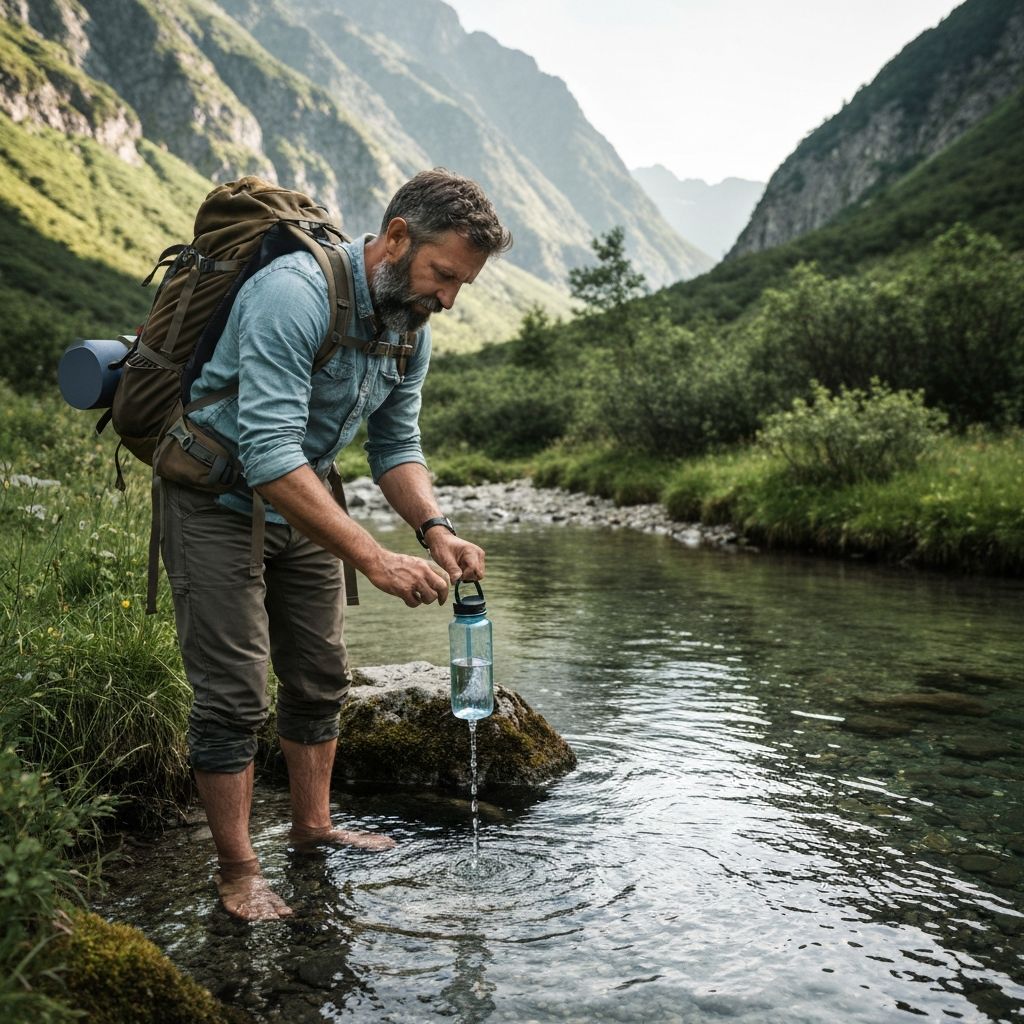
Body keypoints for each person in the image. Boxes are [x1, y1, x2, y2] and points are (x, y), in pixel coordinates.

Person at [160, 169, 513, 921]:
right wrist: (375, 558)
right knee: (233, 695)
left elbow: (396, 447)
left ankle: (313, 827)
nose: (448, 299)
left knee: (320, 676)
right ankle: (236, 870)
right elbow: (268, 455)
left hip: (306, 500)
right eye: (443, 275)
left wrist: (435, 529)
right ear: (395, 238)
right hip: (216, 498)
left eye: (462, 285)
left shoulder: (408, 328)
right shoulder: (293, 294)